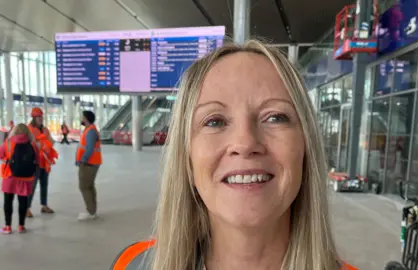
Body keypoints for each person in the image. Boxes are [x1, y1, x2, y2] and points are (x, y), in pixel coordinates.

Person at [111, 40, 358, 270]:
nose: (245, 142)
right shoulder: (131, 265)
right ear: (186, 158)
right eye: (215, 121)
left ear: (305, 147)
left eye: (275, 117)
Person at [0, 124, 39, 234]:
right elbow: (37, 160)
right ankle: (21, 226)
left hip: (9, 176)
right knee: (23, 201)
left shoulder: (8, 143)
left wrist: (6, 159)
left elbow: (0, 154)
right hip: (25, 178)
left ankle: (8, 227)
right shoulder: (32, 144)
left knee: (8, 201)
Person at [27, 107, 56, 217]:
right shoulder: (28, 129)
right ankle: (27, 208)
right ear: (34, 117)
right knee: (32, 185)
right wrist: (40, 145)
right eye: (38, 116)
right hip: (34, 162)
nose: (41, 118)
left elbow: (51, 141)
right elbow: (29, 144)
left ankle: (44, 205)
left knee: (44, 184)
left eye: (41, 116)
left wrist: (44, 145)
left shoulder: (45, 130)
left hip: (45, 162)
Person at [75, 110, 102, 221]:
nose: (81, 118)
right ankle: (92, 210)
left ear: (86, 118)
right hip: (91, 163)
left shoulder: (90, 131)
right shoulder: (89, 130)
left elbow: (90, 149)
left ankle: (90, 212)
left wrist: (83, 160)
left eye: (82, 116)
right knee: (89, 186)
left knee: (84, 187)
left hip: (88, 164)